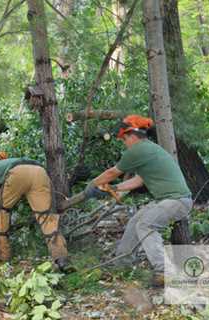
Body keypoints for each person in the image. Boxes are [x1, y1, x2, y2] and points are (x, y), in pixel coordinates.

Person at [84, 115, 193, 286]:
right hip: (167, 200)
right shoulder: (148, 150)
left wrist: (92, 185)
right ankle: (122, 263)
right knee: (136, 220)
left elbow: (112, 173)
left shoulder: (138, 150)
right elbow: (138, 180)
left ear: (132, 135)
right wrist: (113, 189)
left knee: (146, 224)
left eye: (124, 139)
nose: (124, 143)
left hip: (176, 201)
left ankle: (163, 271)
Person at [0, 152, 71, 272]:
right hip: (40, 172)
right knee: (46, 216)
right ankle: (61, 258)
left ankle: (2, 258)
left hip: (17, 173)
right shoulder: (9, 161)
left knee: (2, 212)